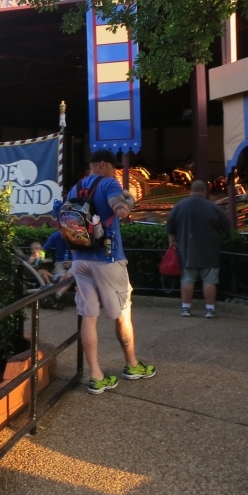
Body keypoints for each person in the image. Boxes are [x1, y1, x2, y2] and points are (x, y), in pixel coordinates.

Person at [68, 150, 155, 395]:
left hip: (80, 260)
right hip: (108, 260)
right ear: (104, 165)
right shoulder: (109, 183)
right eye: (114, 167)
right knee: (123, 314)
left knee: (88, 316)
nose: (116, 171)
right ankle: (133, 365)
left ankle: (96, 376)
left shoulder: (75, 188)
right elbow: (121, 211)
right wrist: (128, 201)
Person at [167, 179, 231, 318]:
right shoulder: (213, 207)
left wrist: (172, 243)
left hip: (187, 250)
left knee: (187, 280)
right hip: (210, 251)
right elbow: (227, 227)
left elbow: (170, 227)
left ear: (191, 191)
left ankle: (186, 308)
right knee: (209, 281)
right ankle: (209, 309)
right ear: (204, 191)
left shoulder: (179, 206)